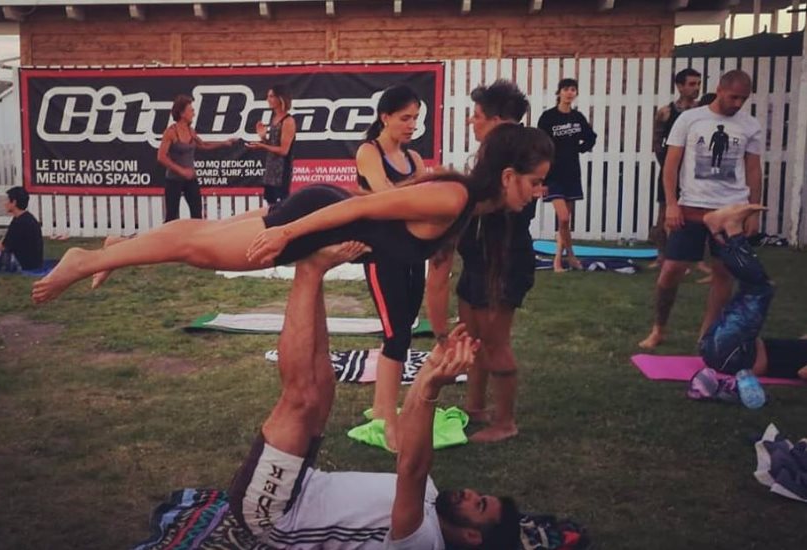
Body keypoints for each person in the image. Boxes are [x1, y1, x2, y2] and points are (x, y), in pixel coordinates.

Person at [31, 124, 554, 305]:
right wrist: (285, 232)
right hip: (316, 217)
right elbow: (367, 203)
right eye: (535, 182)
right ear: (508, 176)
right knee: (200, 250)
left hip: (321, 210)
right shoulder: (453, 200)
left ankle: (113, 252)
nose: (539, 192)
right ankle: (78, 261)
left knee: (198, 231)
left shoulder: (463, 203)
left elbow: (377, 208)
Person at [227, 240, 523, 549]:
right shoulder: (432, 500)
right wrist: (434, 363)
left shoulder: (424, 541)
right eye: (481, 496)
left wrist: (432, 389)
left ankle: (310, 269)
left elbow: (413, 468)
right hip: (304, 483)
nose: (472, 494)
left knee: (303, 399)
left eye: (479, 505)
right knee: (324, 384)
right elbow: (408, 427)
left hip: (273, 514)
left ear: (472, 536)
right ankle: (309, 262)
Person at [426, 80, 531, 443]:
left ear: (500, 122)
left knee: (495, 342)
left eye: (477, 117)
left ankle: (505, 422)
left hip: (502, 262)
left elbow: (484, 202)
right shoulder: (491, 155)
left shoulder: (518, 156)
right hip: (478, 259)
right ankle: (474, 407)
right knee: (471, 338)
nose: (472, 122)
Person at [639, 70, 763, 350]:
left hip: (731, 210)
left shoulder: (750, 125)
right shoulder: (689, 119)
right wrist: (672, 203)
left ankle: (706, 336)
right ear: (719, 89)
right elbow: (671, 164)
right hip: (692, 205)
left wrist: (753, 211)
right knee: (671, 268)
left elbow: (754, 168)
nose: (737, 104)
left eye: (743, 99)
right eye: (733, 97)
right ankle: (659, 328)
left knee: (723, 273)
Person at [355, 84, 427, 451]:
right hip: (382, 253)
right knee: (394, 334)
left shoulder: (413, 158)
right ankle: (382, 416)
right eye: (405, 118)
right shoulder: (369, 152)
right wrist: (423, 184)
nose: (412, 124)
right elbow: (388, 197)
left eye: (415, 117)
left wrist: (422, 186)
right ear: (385, 117)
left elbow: (423, 201)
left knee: (405, 332)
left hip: (414, 253)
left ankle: (386, 407)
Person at [699, 203, 807, 381]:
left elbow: (803, 372)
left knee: (759, 289)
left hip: (734, 355)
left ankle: (731, 228)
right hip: (728, 348)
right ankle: (727, 229)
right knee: (756, 286)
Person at [537, 78, 597, 272]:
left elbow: (590, 137)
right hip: (552, 174)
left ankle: (569, 257)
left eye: (573, 90)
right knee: (562, 217)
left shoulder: (577, 117)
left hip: (571, 172)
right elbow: (539, 143)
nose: (570, 93)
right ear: (559, 92)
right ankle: (559, 260)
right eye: (566, 89)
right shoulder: (548, 117)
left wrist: (580, 148)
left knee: (566, 219)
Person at [650, 68, 702, 268]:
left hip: (695, 170)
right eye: (691, 84)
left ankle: (687, 259)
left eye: (698, 84)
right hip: (671, 167)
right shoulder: (666, 112)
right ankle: (662, 256)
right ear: (680, 86)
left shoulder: (701, 112)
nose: (695, 88)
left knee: (693, 213)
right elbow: (657, 141)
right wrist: (667, 165)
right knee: (665, 212)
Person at [157, 95, 238, 222]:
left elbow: (203, 145)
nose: (194, 114)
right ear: (182, 113)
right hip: (174, 180)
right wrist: (181, 171)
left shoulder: (191, 130)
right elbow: (161, 157)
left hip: (191, 179)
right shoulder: (171, 132)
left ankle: (196, 240)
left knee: (197, 214)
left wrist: (224, 143)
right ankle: (169, 241)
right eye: (191, 111)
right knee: (171, 216)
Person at [0, 186, 43, 272]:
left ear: (13, 202)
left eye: (7, 200)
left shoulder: (20, 222)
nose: (4, 203)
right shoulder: (24, 218)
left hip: (23, 263)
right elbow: (5, 241)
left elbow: (3, 247)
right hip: (32, 261)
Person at [247, 85, 297, 205]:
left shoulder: (288, 121)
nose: (268, 99)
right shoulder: (274, 118)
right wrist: (263, 137)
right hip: (271, 170)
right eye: (268, 96)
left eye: (271, 96)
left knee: (282, 205)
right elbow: (274, 145)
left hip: (281, 171)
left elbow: (284, 150)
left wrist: (262, 146)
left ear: (280, 98)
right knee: (271, 204)